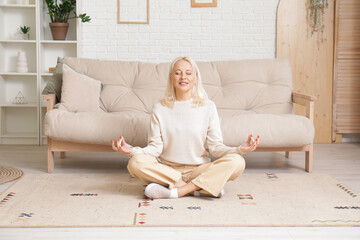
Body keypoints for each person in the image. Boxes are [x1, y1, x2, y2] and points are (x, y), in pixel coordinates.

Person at [111, 56, 260, 199]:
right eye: (178, 73)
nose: (183, 77)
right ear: (171, 78)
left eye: (188, 73)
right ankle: (202, 188)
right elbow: (155, 148)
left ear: (195, 78)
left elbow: (215, 147)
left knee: (238, 162)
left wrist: (240, 149)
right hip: (168, 170)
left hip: (199, 169)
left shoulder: (208, 107)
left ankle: (178, 191)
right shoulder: (159, 108)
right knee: (135, 163)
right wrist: (132, 151)